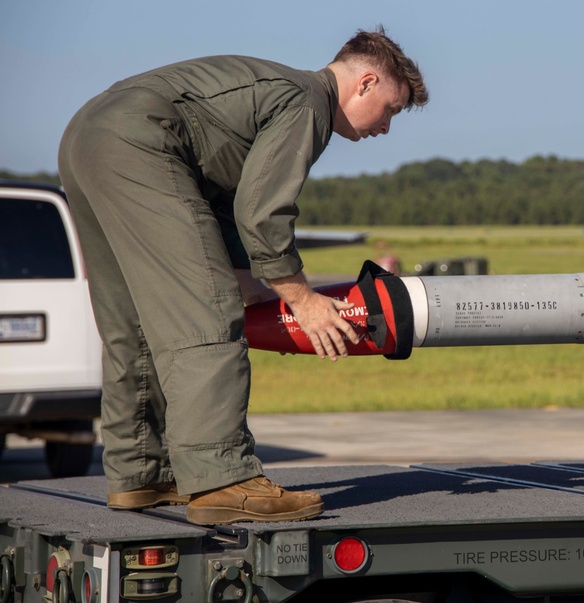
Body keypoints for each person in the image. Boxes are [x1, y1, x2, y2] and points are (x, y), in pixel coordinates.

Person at [58, 27, 428, 524]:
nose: (386, 126)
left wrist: (242, 273)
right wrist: (302, 298)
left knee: (135, 324)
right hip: (142, 143)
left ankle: (142, 474)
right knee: (205, 317)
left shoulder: (278, 90)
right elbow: (263, 211)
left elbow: (224, 197)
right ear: (364, 83)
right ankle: (224, 480)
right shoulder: (307, 102)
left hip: (88, 135)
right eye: (391, 108)